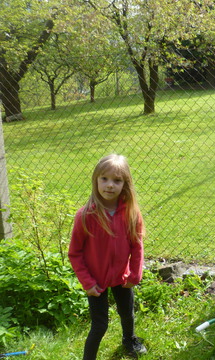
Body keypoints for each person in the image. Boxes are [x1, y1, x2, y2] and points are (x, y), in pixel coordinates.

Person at [68, 154, 147, 359]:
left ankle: (129, 341)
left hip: (123, 278)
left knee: (127, 314)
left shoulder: (131, 213)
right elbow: (74, 253)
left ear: (125, 184)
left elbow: (137, 246)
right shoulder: (86, 215)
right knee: (100, 325)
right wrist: (87, 283)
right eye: (104, 179)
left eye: (117, 180)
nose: (110, 185)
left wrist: (134, 276)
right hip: (95, 282)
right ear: (96, 180)